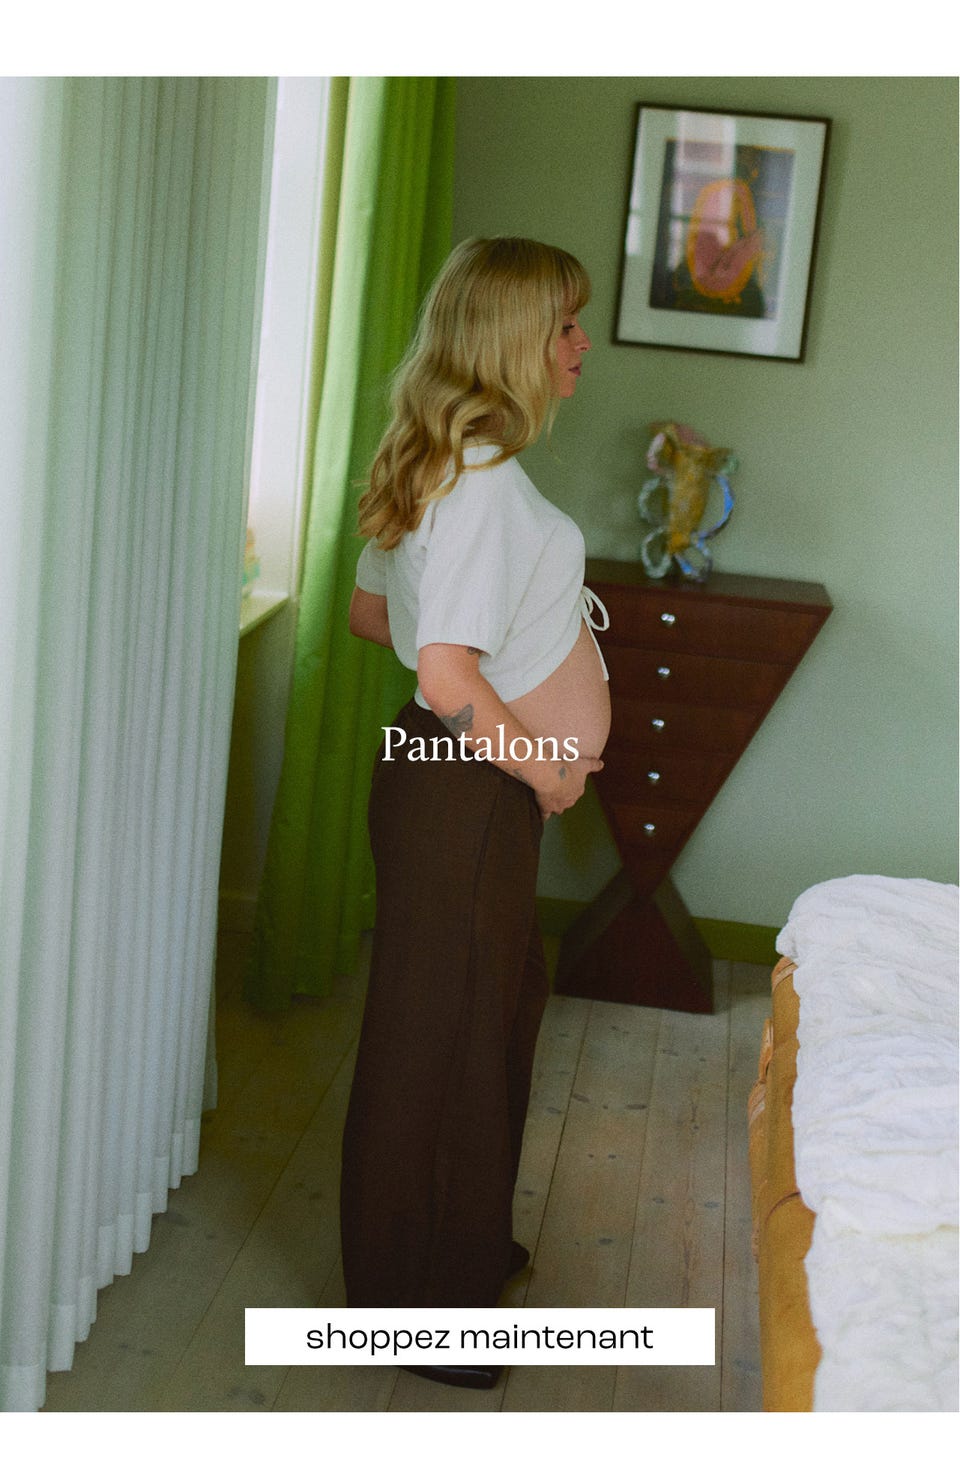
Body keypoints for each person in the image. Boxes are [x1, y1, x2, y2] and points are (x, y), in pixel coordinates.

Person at [340, 236, 612, 1390]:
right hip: (471, 789)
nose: (581, 343)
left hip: (448, 784)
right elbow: (445, 671)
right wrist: (547, 767)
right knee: (447, 1042)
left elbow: (374, 616)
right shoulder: (485, 482)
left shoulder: (445, 460)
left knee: (479, 1018)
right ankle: (423, 1311)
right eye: (564, 324)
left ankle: (456, 1249)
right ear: (511, 339)